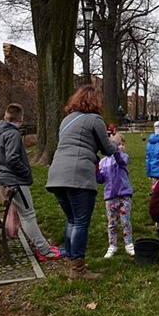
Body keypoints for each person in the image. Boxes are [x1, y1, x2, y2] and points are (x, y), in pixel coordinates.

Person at [47, 85, 117, 280]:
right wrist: (114, 142)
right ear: (95, 101)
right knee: (80, 222)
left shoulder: (66, 120)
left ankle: (71, 258)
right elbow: (108, 149)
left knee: (71, 219)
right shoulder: (95, 119)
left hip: (56, 174)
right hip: (78, 175)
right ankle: (77, 269)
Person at [0, 103, 65, 262]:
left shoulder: (1, 133)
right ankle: (44, 250)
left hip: (9, 178)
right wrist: (25, 172)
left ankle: (42, 246)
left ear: (6, 116)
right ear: (21, 119)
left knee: (26, 215)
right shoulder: (12, 135)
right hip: (16, 180)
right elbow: (12, 158)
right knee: (28, 216)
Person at [96, 133, 135, 258]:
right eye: (118, 144)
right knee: (112, 222)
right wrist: (96, 169)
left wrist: (115, 150)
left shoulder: (123, 156)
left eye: (123, 144)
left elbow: (121, 161)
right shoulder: (103, 162)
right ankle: (112, 245)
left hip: (124, 194)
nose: (121, 147)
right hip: (110, 196)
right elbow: (100, 179)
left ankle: (128, 244)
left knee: (125, 221)